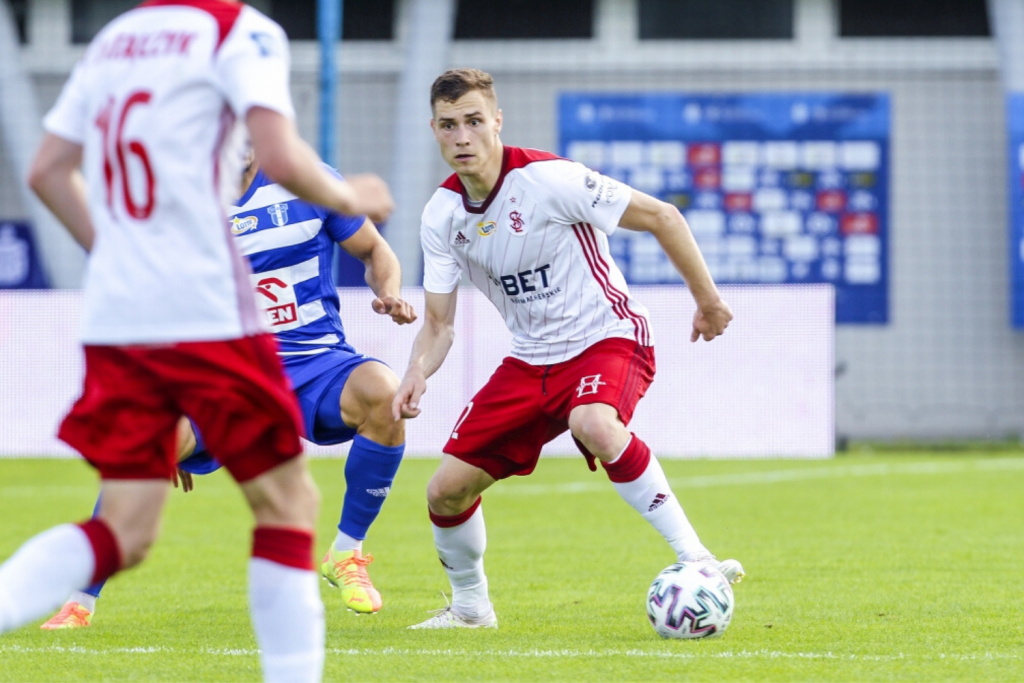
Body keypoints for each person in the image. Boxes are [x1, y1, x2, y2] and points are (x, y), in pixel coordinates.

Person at [0, 2, 392, 681]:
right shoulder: (239, 30)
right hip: (204, 308)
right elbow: (278, 154)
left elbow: (45, 172)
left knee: (125, 530)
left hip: (125, 311)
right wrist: (347, 193)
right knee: (288, 504)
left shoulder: (116, 39)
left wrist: (119, 258)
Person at [392, 68, 744, 630]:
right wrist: (416, 371)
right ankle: (471, 609)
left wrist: (708, 301)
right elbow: (438, 323)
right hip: (531, 359)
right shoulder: (442, 216)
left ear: (497, 122)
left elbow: (663, 216)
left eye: (474, 122)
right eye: (449, 125)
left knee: (595, 422)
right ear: (434, 130)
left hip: (607, 336)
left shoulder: (549, 180)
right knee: (446, 491)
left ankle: (697, 558)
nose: (462, 137)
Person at [41, 156, 416, 629]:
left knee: (385, 395)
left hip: (313, 360)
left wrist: (389, 291)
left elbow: (375, 249)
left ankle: (346, 552)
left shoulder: (308, 181)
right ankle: (80, 601)